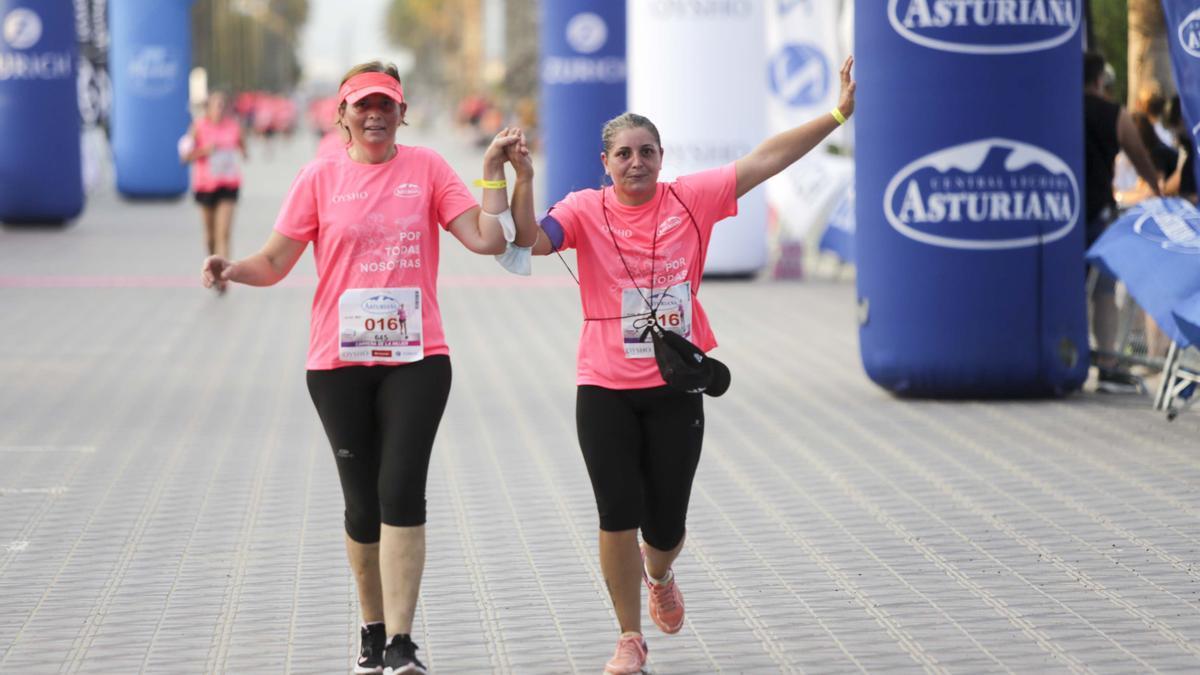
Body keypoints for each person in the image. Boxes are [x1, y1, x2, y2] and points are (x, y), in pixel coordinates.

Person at [509, 56, 856, 675]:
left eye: (647, 151)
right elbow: (530, 241)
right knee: (616, 511)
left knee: (664, 523)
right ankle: (628, 638)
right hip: (604, 385)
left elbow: (767, 159)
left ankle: (659, 573)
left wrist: (837, 114)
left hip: (675, 386)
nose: (636, 162)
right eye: (623, 153)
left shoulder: (691, 200)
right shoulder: (585, 209)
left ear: (662, 158)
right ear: (605, 163)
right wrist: (523, 177)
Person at [200, 61, 536, 675]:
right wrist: (231, 269)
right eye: (363, 105)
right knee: (361, 507)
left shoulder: (429, 169)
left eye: (386, 104)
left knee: (401, 491)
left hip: (418, 358)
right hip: (338, 361)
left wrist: (492, 176)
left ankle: (403, 643)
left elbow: (489, 240)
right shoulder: (319, 176)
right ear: (342, 114)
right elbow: (276, 261)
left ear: (402, 112)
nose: (375, 114)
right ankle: (372, 630)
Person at [1083, 51, 1162, 393]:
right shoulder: (1113, 114)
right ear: (1101, 80)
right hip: (1098, 213)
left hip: (1060, 213)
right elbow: (1138, 153)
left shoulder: (1055, 106)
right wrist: (1156, 188)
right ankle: (1108, 365)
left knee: (1065, 289)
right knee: (1103, 293)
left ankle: (1064, 355)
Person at [182, 92, 247, 292]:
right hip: (205, 187)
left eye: (222, 105)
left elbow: (243, 147)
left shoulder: (234, 126)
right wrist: (204, 151)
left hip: (228, 185)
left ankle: (223, 278)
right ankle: (212, 266)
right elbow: (185, 157)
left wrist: (242, 151)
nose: (219, 108)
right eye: (216, 105)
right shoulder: (198, 127)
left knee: (224, 233)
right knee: (210, 236)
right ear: (208, 107)